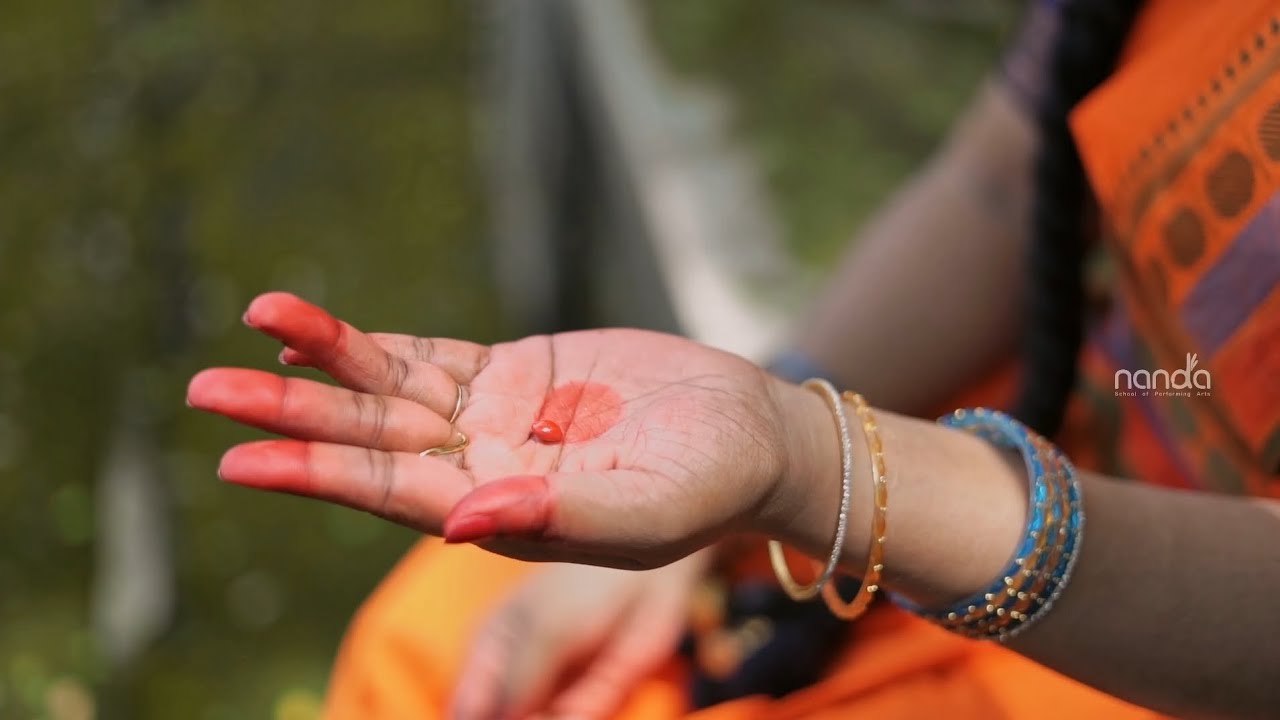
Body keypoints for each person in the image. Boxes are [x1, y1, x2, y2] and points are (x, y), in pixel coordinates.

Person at [187, 0, 1280, 717]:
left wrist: (803, 466)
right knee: (435, 649)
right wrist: (762, 430)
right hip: (1007, 439)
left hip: (1168, 637)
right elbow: (1001, 182)